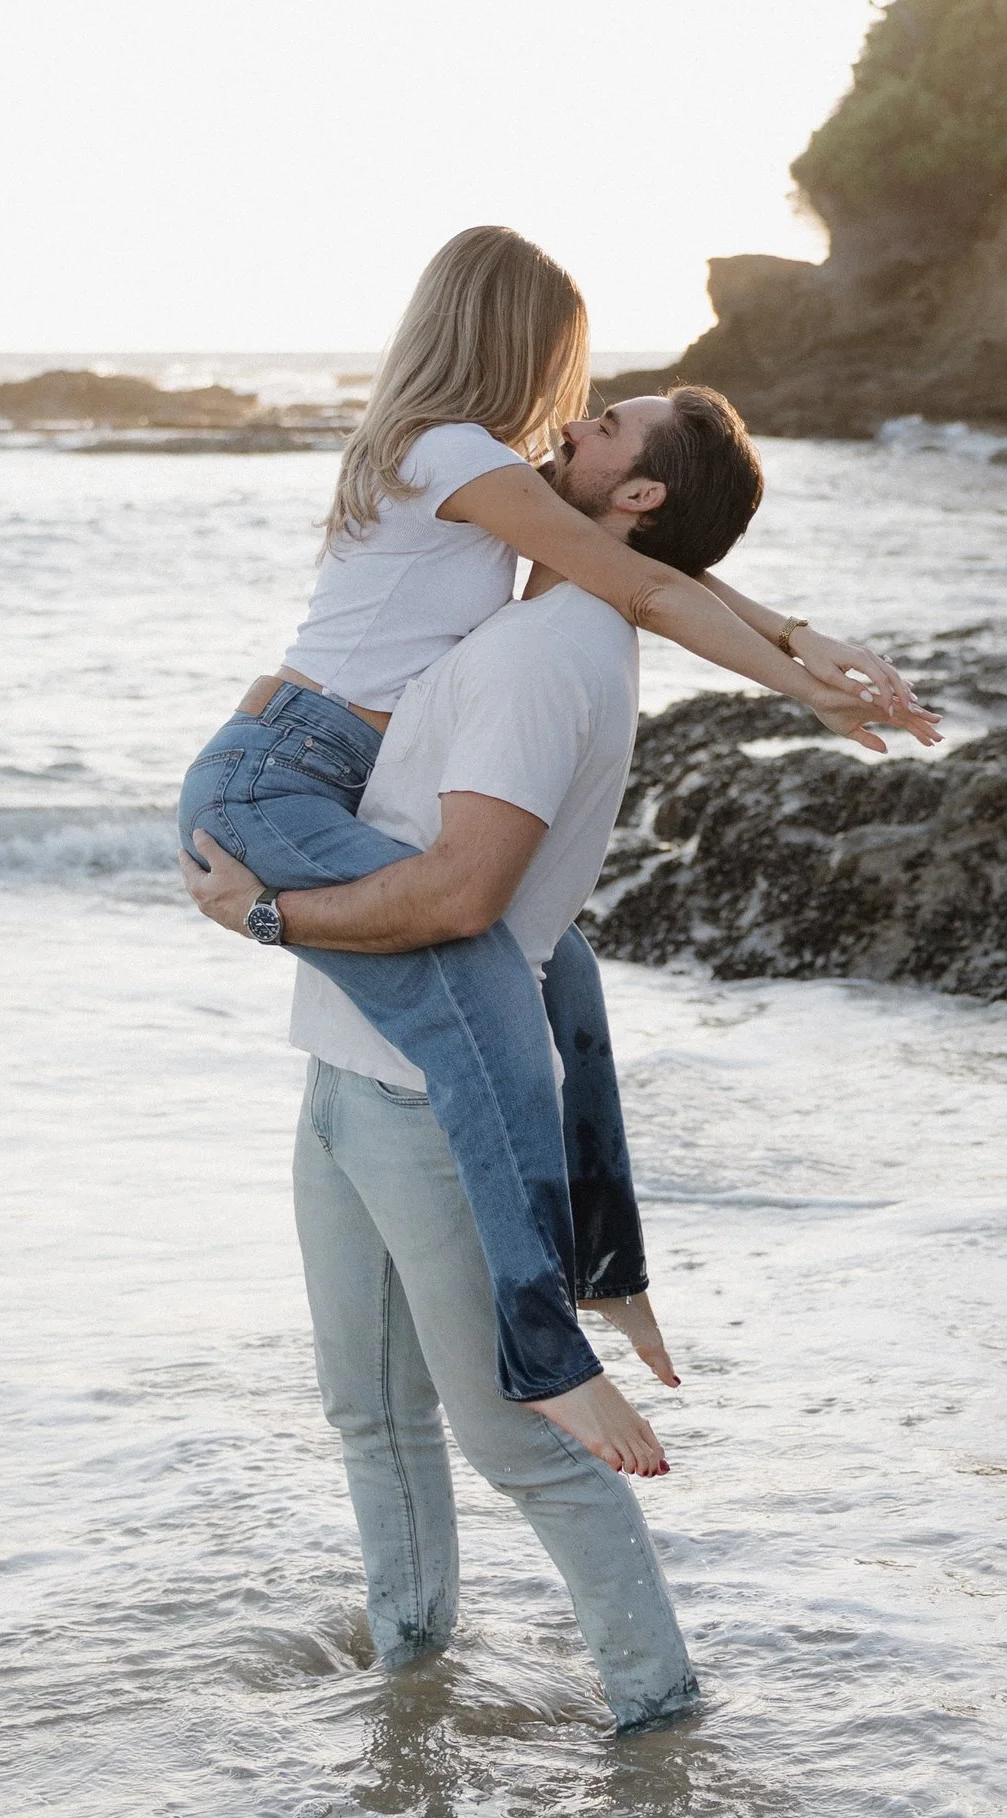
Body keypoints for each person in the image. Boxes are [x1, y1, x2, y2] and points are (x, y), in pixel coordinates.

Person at [176, 227, 931, 1432]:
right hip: (277, 782)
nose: (572, 406)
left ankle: (605, 1270)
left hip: (311, 763)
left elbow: (639, 553)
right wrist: (803, 687)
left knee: (556, 962)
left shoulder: (474, 459)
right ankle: (544, 1348)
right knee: (482, 970)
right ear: (520, 342)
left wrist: (798, 637)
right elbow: (635, 580)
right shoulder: (451, 452)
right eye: (565, 362)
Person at [184, 386, 752, 1729]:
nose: (564, 433)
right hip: (350, 1076)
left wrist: (266, 913)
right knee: (369, 1413)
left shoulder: (542, 655)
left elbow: (461, 899)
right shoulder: (525, 625)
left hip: (423, 1101)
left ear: (640, 499)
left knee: (515, 1437)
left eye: (603, 429)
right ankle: (409, 1673)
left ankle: (659, 1718)